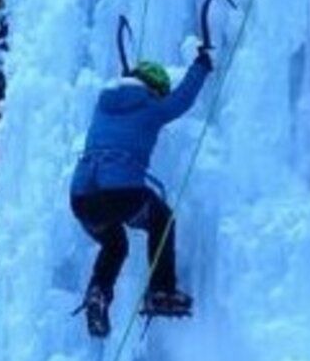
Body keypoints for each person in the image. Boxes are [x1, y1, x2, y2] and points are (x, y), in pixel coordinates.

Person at [69, 47, 214, 337]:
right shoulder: (151, 106)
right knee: (162, 218)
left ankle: (98, 293)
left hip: (81, 197)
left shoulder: (104, 103)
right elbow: (182, 100)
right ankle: (161, 290)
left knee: (115, 245)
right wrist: (201, 66)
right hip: (120, 192)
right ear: (155, 88)